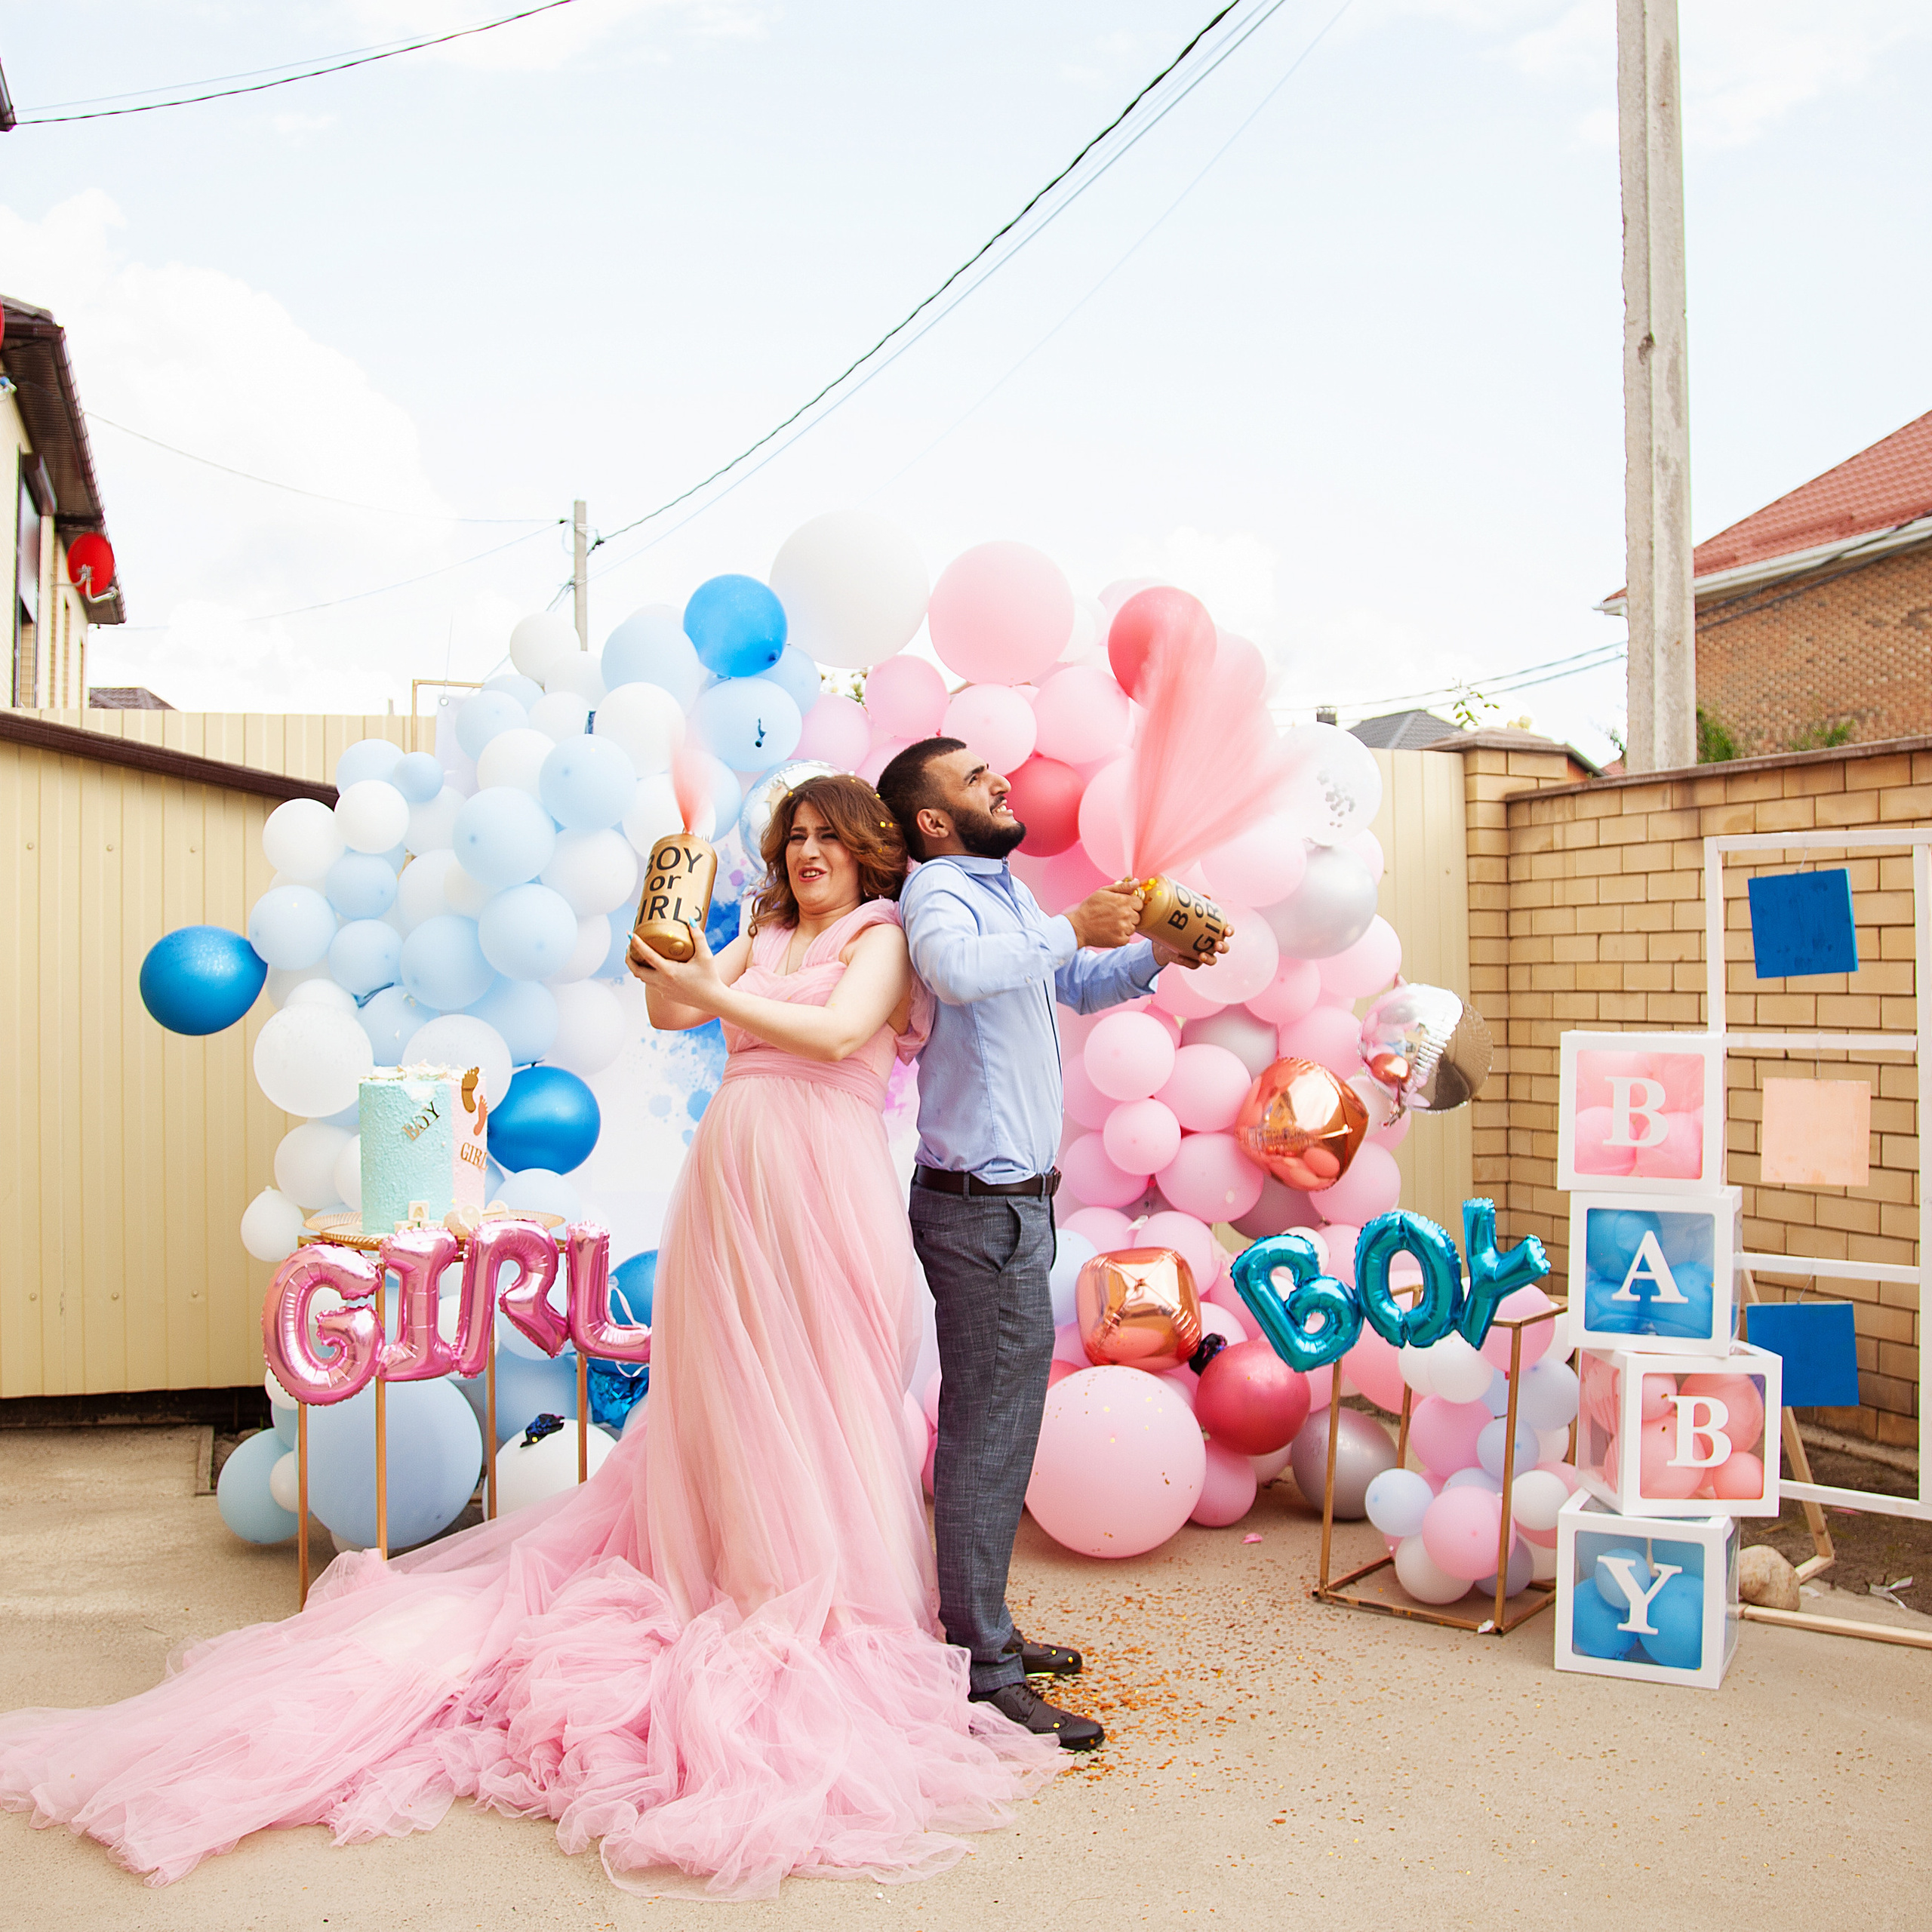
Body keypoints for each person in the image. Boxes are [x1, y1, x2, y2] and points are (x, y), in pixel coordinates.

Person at [0, 774, 1060, 1900]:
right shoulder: (763, 934)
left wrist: (714, 988)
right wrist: (669, 959)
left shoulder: (881, 935)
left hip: (825, 1177)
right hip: (735, 1172)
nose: (807, 855)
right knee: (729, 1391)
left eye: (826, 839)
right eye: (793, 837)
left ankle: (820, 1586)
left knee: (821, 1387)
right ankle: (737, 1567)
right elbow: (673, 1017)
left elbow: (841, 1031)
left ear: (865, 850)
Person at [875, 737, 1224, 1751]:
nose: (999, 781)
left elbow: (1077, 984)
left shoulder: (1006, 895)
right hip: (981, 1210)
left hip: (1014, 1207)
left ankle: (984, 1631)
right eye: (974, 778)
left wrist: (1158, 952)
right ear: (933, 820)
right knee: (987, 1436)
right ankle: (980, 1669)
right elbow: (956, 971)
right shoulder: (940, 893)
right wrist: (1070, 925)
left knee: (1001, 1428)